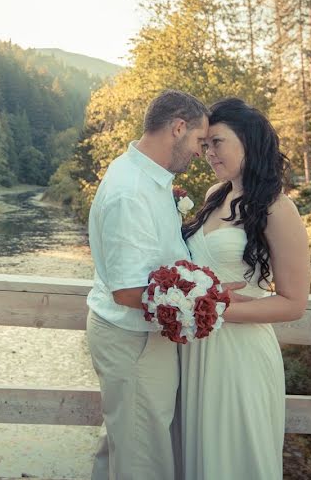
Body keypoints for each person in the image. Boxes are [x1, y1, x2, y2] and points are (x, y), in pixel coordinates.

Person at [86, 89, 221, 480]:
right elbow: (128, 291)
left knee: (125, 448)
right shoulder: (130, 191)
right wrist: (207, 298)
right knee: (143, 457)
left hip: (138, 340)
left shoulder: (146, 179)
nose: (201, 152)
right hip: (134, 342)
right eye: (199, 140)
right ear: (178, 127)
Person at [179, 97, 311, 479]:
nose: (207, 153)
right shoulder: (213, 196)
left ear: (248, 140)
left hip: (240, 356)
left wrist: (218, 309)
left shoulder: (277, 208)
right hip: (197, 352)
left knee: (234, 460)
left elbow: (294, 303)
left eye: (217, 142)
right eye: (204, 145)